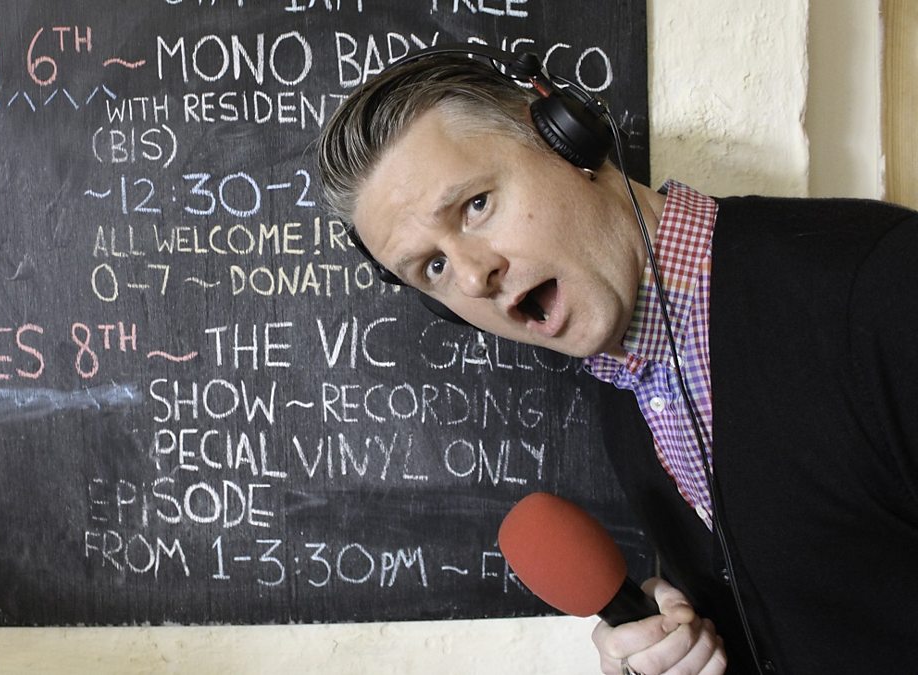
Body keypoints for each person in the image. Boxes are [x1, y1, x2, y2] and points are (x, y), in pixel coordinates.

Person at [316, 52, 918, 675]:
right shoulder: (624, 387)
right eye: (433, 267)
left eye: (475, 205)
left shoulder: (885, 285)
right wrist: (677, 639)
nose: (472, 277)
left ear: (565, 141)